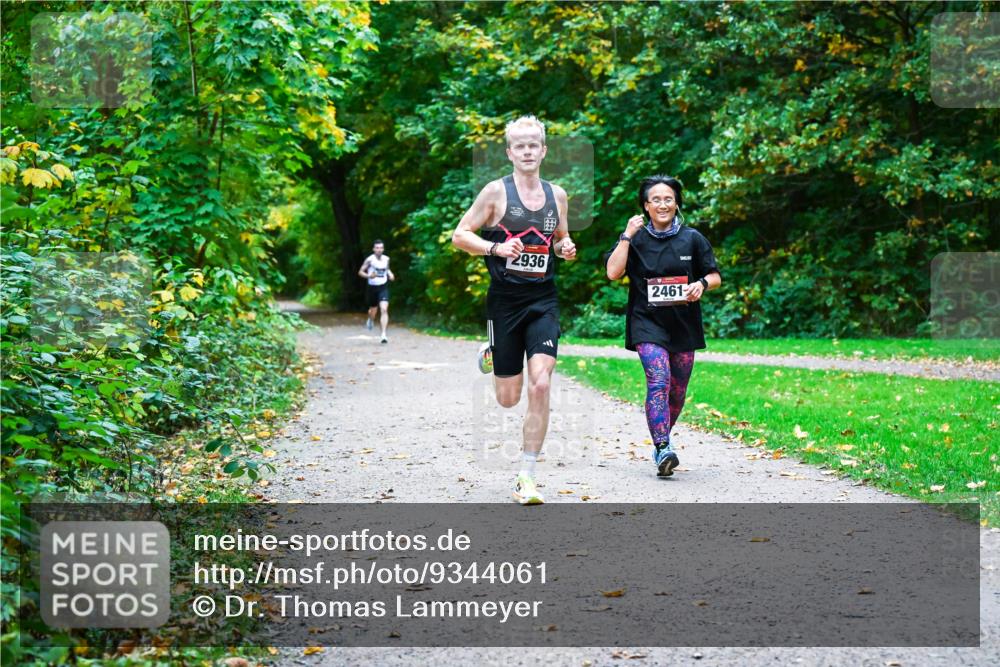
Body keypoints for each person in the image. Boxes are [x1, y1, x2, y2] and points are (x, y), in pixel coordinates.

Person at [451, 115, 577, 505]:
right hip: (504, 304)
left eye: (533, 144)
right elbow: (460, 235)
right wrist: (495, 248)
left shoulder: (557, 195)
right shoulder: (495, 193)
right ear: (509, 152)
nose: (526, 150)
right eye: (519, 145)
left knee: (541, 382)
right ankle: (493, 352)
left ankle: (527, 474)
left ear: (544, 150)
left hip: (543, 300)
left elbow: (560, 237)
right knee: (508, 398)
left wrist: (565, 248)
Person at [605, 175, 721, 477]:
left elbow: (715, 275)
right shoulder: (636, 238)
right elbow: (613, 273)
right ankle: (662, 446)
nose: (662, 204)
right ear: (646, 206)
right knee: (659, 380)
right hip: (647, 323)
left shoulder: (693, 238)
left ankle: (661, 445)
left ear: (676, 203)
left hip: (684, 325)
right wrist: (627, 236)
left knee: (678, 391)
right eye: (655, 199)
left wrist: (701, 284)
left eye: (668, 198)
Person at [358, 240, 394, 344]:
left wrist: (390, 274)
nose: (379, 250)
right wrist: (369, 276)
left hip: (383, 287)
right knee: (373, 310)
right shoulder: (370, 260)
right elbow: (360, 272)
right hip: (372, 287)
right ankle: (370, 319)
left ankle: (383, 335)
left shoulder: (386, 259)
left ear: (383, 249)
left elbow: (387, 269)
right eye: (377, 248)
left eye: (381, 248)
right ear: (374, 249)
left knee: (384, 309)